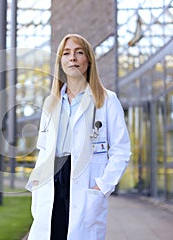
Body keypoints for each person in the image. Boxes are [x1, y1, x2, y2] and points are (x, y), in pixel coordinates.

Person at [25, 33, 131, 240]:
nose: (72, 57)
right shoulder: (51, 102)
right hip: (52, 179)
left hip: (86, 181)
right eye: (66, 53)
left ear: (88, 60)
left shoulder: (107, 100)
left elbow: (121, 150)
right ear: (60, 62)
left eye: (79, 52)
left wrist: (102, 186)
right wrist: (37, 182)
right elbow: (44, 149)